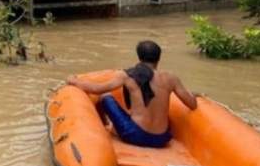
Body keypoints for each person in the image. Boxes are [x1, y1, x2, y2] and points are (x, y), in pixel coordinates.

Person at [66, 40, 198, 148]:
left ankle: (107, 127)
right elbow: (192, 104)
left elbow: (97, 89)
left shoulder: (127, 75)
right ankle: (116, 128)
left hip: (136, 135)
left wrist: (74, 81)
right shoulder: (171, 78)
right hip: (161, 139)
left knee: (105, 96)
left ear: (139, 57)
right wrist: (194, 95)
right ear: (158, 58)